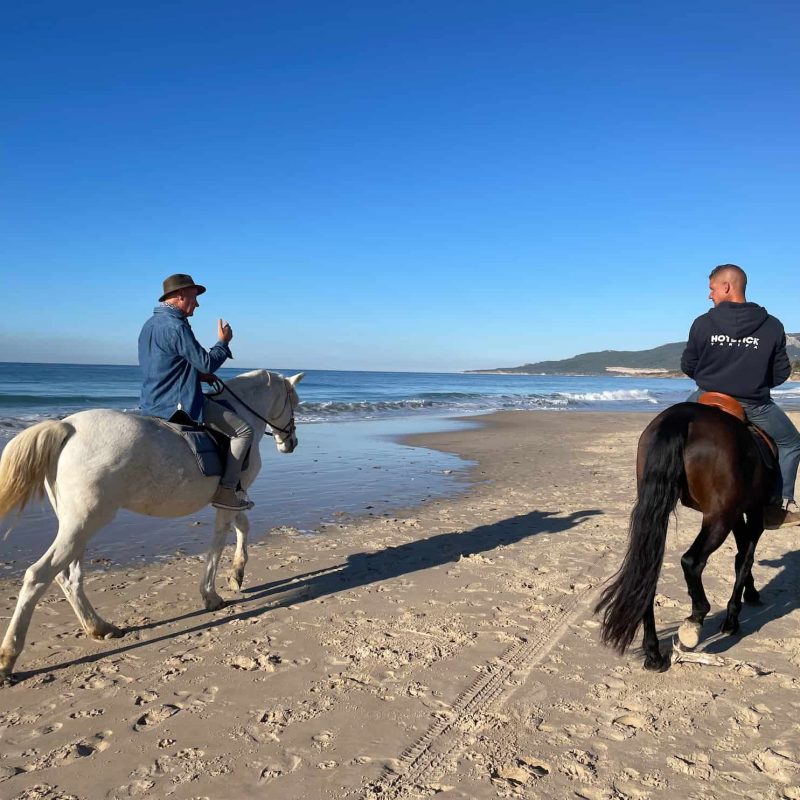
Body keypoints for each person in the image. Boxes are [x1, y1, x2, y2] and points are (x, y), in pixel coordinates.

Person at [681, 264, 800, 529]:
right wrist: (753, 383)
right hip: (753, 403)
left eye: (711, 289)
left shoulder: (702, 322)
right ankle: (776, 506)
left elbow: (688, 365)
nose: (709, 295)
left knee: (672, 429)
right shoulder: (772, 325)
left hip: (705, 398)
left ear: (726, 287)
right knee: (791, 442)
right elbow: (781, 372)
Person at [138, 273, 255, 511]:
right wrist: (223, 343)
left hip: (151, 401)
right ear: (180, 295)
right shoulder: (176, 325)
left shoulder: (149, 325)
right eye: (194, 297)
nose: (198, 304)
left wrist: (198, 376)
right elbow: (207, 362)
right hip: (176, 403)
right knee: (244, 431)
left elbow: (166, 364)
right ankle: (227, 491)